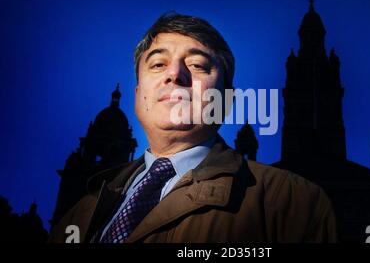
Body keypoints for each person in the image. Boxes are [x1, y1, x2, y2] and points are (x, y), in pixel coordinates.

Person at [49, 13, 337, 243]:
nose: (175, 74)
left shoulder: (291, 204)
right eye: (158, 64)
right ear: (138, 96)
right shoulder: (78, 215)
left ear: (226, 100)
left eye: (198, 65)